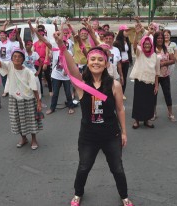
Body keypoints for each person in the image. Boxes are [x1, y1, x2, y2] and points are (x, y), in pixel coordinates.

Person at [53, 31, 133, 206]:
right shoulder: (81, 85)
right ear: (88, 63)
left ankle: (124, 196)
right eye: (93, 59)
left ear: (105, 63)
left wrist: (124, 132)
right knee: (84, 167)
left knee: (117, 169)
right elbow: (71, 66)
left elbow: (120, 109)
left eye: (100, 60)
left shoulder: (115, 85)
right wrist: (61, 45)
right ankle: (78, 193)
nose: (96, 62)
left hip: (111, 135)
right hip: (88, 136)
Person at [0, 38, 42, 150]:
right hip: (14, 98)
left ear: (23, 59)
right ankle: (23, 138)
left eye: (19, 57)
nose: (17, 58)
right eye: (14, 56)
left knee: (31, 119)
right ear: (12, 58)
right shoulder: (9, 66)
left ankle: (34, 139)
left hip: (28, 99)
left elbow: (34, 88)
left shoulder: (28, 72)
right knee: (17, 119)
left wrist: (38, 101)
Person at [130, 24, 160, 129]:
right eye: (145, 44)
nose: (147, 45)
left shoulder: (155, 56)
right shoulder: (140, 53)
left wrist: (156, 85)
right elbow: (134, 46)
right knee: (138, 101)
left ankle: (147, 120)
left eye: (149, 44)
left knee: (149, 102)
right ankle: (137, 121)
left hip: (151, 82)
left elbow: (157, 72)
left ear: (152, 45)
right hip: (140, 80)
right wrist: (137, 34)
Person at [153, 31, 176, 121]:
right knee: (154, 95)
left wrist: (164, 63)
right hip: (154, 76)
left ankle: (170, 113)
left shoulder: (167, 49)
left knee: (167, 94)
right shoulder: (152, 49)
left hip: (165, 75)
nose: (160, 40)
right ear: (155, 39)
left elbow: (173, 60)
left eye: (161, 38)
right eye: (158, 38)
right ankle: (154, 113)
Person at [114, 25, 133, 100]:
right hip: (119, 63)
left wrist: (130, 60)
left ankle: (122, 93)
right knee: (117, 77)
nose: (127, 32)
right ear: (121, 32)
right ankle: (115, 92)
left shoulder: (128, 41)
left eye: (128, 31)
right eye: (126, 31)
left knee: (124, 78)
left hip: (126, 62)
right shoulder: (117, 42)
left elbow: (129, 52)